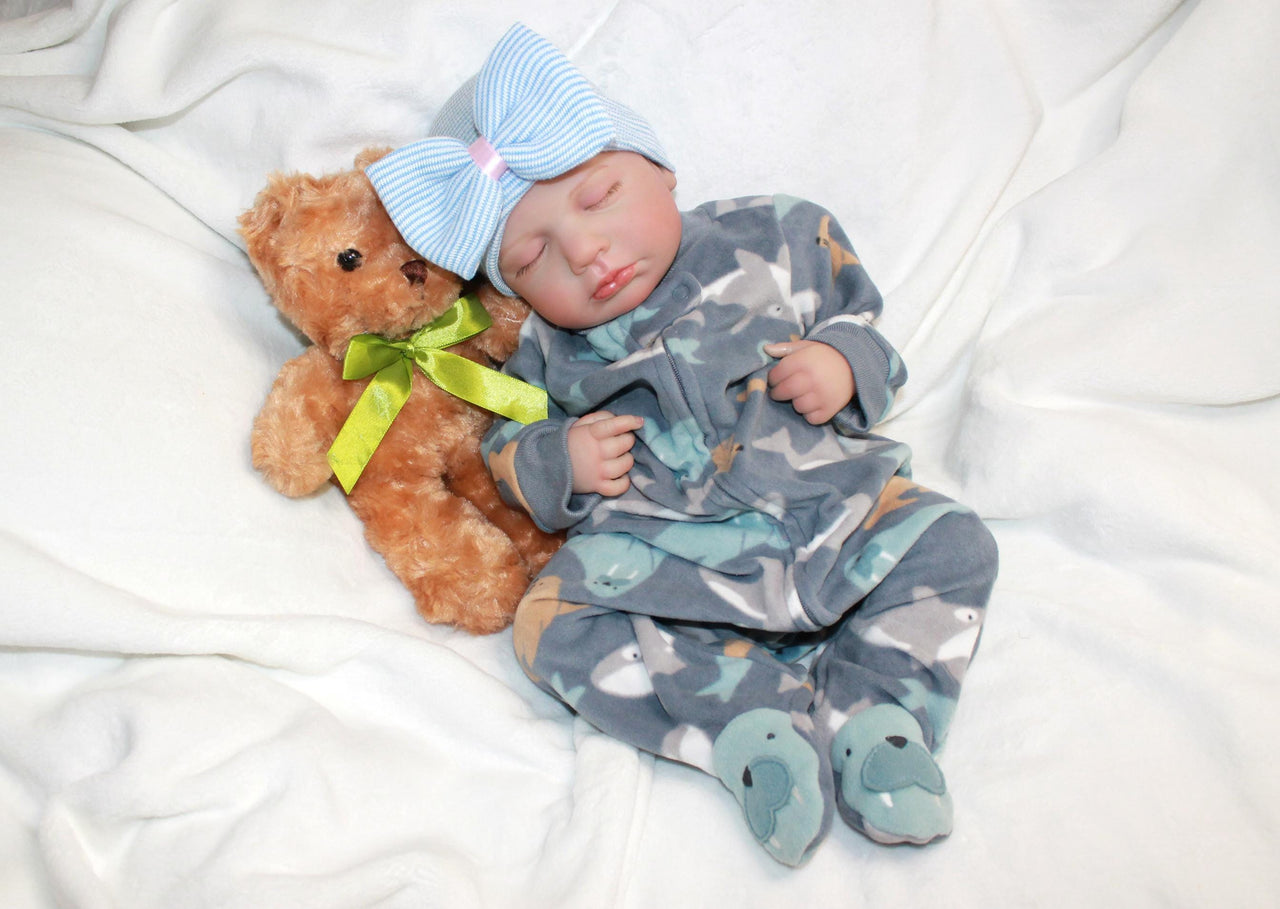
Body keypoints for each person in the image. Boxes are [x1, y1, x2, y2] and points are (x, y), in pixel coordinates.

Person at [368, 23, 998, 867]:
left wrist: (843, 364)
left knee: (953, 540)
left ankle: (879, 722)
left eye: (598, 198)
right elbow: (508, 445)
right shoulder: (543, 351)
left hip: (829, 508)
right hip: (675, 562)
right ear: (511, 286)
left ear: (661, 169)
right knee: (548, 624)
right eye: (533, 254)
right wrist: (565, 459)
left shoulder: (776, 233)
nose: (586, 252)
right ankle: (747, 728)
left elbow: (866, 325)